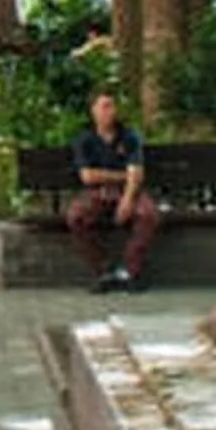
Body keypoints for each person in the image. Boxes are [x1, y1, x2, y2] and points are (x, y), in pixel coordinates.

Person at [66, 91, 161, 292]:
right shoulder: (85, 139)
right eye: (104, 106)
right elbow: (88, 176)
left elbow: (136, 172)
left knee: (148, 214)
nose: (110, 111)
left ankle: (130, 271)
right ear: (93, 111)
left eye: (112, 106)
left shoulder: (129, 136)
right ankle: (103, 270)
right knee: (77, 216)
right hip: (97, 192)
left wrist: (127, 199)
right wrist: (123, 175)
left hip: (128, 190)